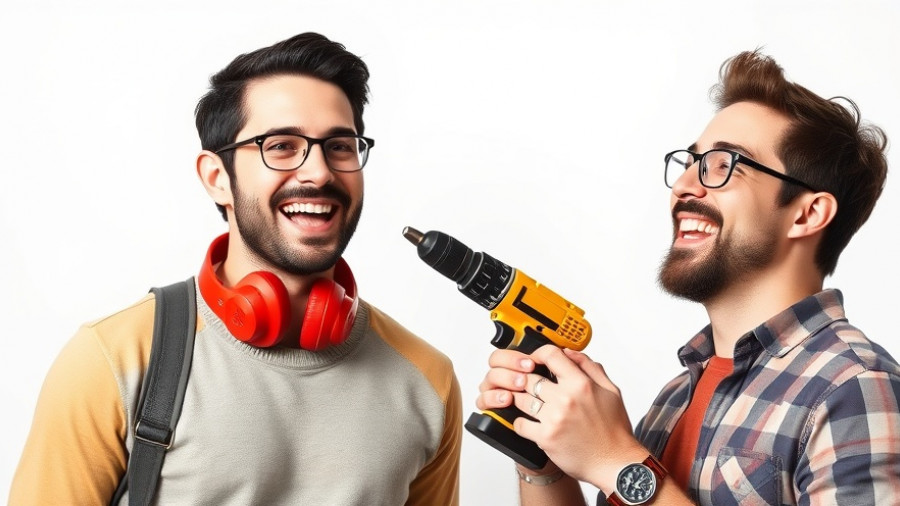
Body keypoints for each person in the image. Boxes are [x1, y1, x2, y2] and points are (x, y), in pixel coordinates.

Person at [10, 32, 461, 505]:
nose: (320, 172)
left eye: (340, 146)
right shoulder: (115, 359)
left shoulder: (427, 380)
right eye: (282, 145)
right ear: (217, 178)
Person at [476, 49, 900, 505]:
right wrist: (544, 458)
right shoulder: (675, 398)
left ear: (807, 214)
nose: (683, 186)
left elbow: (624, 471)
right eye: (690, 163)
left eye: (724, 166)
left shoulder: (854, 386)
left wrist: (618, 464)